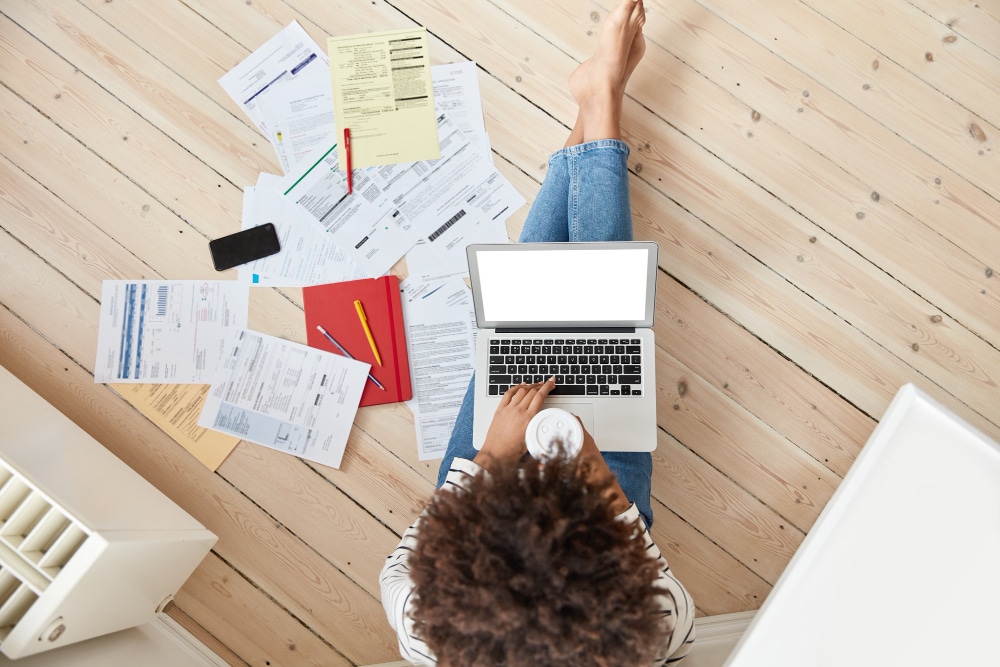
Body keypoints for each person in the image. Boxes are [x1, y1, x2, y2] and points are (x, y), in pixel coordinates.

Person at [380, 0, 695, 664]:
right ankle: (598, 100)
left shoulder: (422, 616)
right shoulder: (647, 625)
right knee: (602, 317)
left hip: (478, 498)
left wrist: (491, 456)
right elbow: (649, 573)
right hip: (604, 527)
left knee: (522, 316)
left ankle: (597, 101)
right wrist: (592, 471)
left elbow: (424, 543)